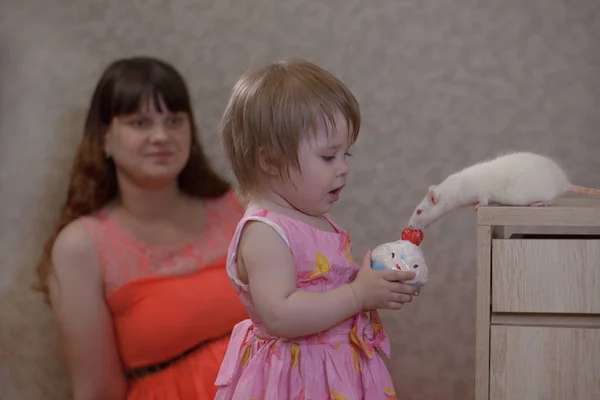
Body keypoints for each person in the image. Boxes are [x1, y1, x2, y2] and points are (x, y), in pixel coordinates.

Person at [35, 56, 248, 400]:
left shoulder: (238, 207)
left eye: (174, 120)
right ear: (104, 136)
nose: (161, 136)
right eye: (140, 122)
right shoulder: (82, 246)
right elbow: (98, 391)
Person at [213, 58, 419, 400]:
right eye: (328, 157)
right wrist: (357, 295)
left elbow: (326, 290)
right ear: (270, 160)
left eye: (345, 155)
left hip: (336, 375)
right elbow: (280, 315)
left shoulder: (312, 219)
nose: (343, 169)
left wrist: (371, 283)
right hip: (294, 382)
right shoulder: (265, 232)